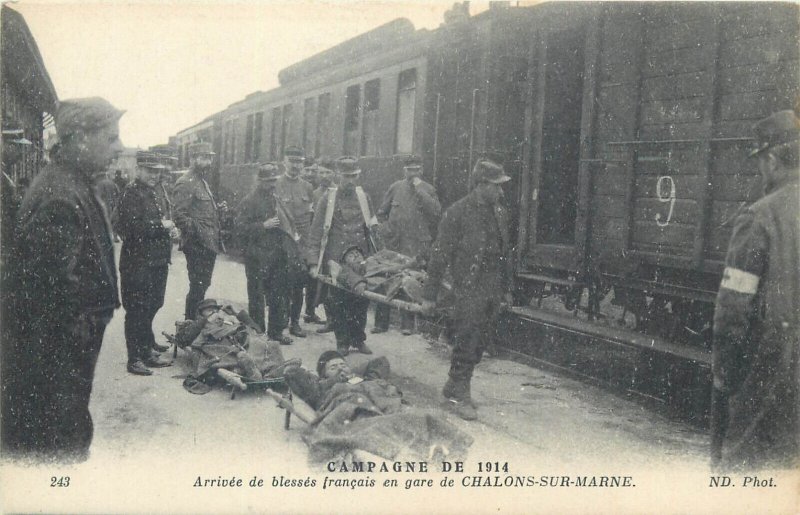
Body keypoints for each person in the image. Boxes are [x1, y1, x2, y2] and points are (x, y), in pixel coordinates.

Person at [1, 97, 124, 462]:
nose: (118, 149)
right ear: (81, 138)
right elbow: (48, 294)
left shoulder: (72, 183)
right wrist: (83, 329)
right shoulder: (61, 194)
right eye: (111, 138)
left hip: (65, 350)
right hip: (58, 355)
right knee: (59, 439)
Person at [711, 110, 800, 471]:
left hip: (765, 368)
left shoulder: (759, 218)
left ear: (774, 160)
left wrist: (724, 374)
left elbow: (732, 310)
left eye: (762, 162)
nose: (761, 172)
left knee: (740, 468)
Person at [421, 159, 513, 421]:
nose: (501, 191)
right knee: (467, 339)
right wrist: (429, 295)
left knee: (482, 340)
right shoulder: (457, 212)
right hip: (469, 287)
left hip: (492, 286)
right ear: (481, 185)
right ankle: (457, 395)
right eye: (496, 186)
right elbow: (439, 256)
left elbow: (505, 254)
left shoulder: (499, 212)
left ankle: (455, 385)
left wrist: (507, 289)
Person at [283, 350, 473, 463]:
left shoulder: (368, 378)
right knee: (392, 424)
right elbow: (292, 373)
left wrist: (351, 372)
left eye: (343, 364)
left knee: (429, 416)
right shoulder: (323, 388)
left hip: (387, 406)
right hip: (356, 410)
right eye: (333, 367)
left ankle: (439, 451)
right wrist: (332, 379)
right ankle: (414, 452)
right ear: (323, 375)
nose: (341, 368)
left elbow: (381, 361)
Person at [305, 157, 379, 356]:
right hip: (336, 260)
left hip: (359, 259)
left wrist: (377, 257)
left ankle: (358, 339)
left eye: (354, 176)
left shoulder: (364, 197)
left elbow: (372, 228)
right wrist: (313, 263)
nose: (350, 181)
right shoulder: (327, 199)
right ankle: (342, 342)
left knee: (361, 301)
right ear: (338, 176)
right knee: (338, 302)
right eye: (346, 176)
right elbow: (315, 232)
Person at [117, 152, 179, 375]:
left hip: (157, 261)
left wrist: (172, 231)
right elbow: (129, 229)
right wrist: (161, 226)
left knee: (154, 303)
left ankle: (145, 348)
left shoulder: (154, 192)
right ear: (139, 170)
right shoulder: (131, 194)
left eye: (158, 171)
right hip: (137, 263)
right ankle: (135, 358)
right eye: (150, 170)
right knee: (136, 310)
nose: (155, 175)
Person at [374, 154, 441, 335]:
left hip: (416, 245)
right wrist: (386, 230)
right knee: (386, 278)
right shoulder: (395, 187)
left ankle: (407, 324)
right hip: (394, 243)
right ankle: (381, 323)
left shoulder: (428, 189)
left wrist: (419, 189)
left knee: (410, 281)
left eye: (416, 170)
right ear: (404, 170)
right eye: (409, 170)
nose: (412, 173)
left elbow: (436, 213)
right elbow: (381, 213)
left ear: (422, 170)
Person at [174, 298, 298, 393]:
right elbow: (184, 340)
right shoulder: (200, 325)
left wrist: (236, 314)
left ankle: (269, 372)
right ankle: (259, 371)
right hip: (223, 348)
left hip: (243, 342)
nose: (214, 312)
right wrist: (205, 321)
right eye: (209, 310)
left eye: (216, 309)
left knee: (272, 345)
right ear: (201, 313)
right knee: (241, 354)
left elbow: (257, 329)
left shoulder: (227, 321)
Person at [234, 162, 297, 345]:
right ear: (259, 181)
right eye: (268, 181)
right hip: (257, 256)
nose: (272, 184)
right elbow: (238, 228)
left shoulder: (274, 198)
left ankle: (276, 332)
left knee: (279, 294)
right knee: (256, 296)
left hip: (277, 254)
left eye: (274, 180)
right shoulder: (249, 201)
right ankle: (258, 332)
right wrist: (263, 225)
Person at [173, 141, 224, 320]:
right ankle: (190, 325)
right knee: (197, 287)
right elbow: (179, 215)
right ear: (193, 159)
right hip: (197, 245)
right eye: (203, 158)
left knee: (202, 285)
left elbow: (199, 210)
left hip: (207, 244)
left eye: (210, 158)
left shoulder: (201, 182)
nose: (208, 163)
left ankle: (194, 324)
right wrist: (197, 233)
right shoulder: (186, 182)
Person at [275, 145, 317, 336]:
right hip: (281, 242)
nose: (296, 166)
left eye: (299, 162)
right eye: (292, 161)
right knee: (282, 285)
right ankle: (280, 322)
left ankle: (295, 323)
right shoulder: (275, 184)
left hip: (301, 245)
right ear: (284, 162)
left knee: (299, 285)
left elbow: (309, 218)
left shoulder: (308, 187)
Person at [94, 169, 120, 241]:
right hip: (113, 204)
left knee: (105, 221)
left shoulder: (100, 184)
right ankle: (114, 236)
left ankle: (106, 237)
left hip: (105, 205)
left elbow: (98, 195)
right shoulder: (113, 183)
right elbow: (118, 193)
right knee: (114, 221)